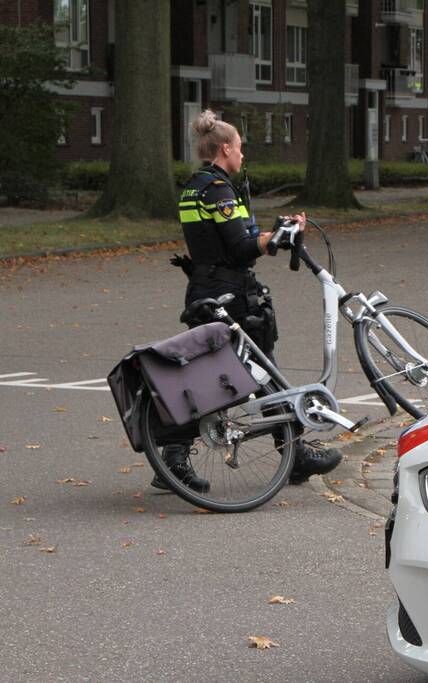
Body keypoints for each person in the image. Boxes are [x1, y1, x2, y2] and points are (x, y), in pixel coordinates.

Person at [152, 110, 341, 493]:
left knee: (227, 374)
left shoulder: (196, 186)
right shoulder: (218, 189)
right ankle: (292, 456)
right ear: (225, 148)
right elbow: (240, 247)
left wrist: (272, 232)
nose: (242, 154)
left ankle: (176, 457)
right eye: (239, 147)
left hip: (206, 288)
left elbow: (229, 238)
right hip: (228, 293)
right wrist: (279, 237)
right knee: (252, 372)